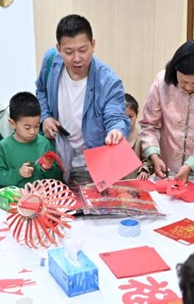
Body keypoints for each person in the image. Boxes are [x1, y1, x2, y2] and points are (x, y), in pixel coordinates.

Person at [35, 14, 130, 184]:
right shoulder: (50, 61)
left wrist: (116, 130)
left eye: (83, 50)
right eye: (69, 52)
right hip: (57, 160)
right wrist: (46, 116)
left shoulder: (108, 81)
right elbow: (41, 90)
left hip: (91, 168)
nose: (77, 58)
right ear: (58, 48)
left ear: (93, 45)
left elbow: (116, 116)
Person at [140, 40, 194, 182]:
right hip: (163, 168)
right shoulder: (162, 82)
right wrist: (154, 156)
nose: (188, 87)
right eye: (183, 81)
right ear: (175, 69)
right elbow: (149, 125)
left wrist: (190, 165)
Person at [0, 91, 63, 188]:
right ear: (12, 123)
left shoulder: (45, 143)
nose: (33, 132)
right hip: (15, 196)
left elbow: (58, 177)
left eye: (37, 126)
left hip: (41, 194)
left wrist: (48, 169)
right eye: (27, 128)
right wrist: (18, 173)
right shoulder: (4, 146)